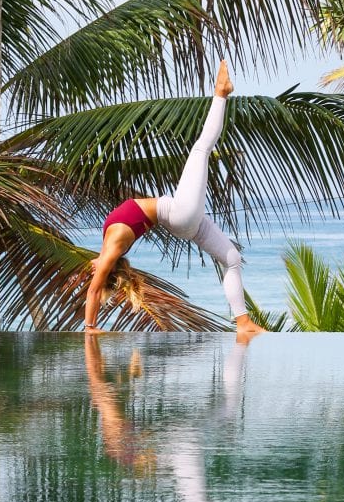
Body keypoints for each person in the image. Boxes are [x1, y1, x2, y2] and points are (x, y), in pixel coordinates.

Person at [84, 60, 265, 337]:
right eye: (95, 270)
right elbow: (95, 289)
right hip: (178, 213)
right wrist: (90, 326)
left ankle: (243, 322)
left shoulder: (110, 240)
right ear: (107, 269)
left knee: (232, 259)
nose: (90, 268)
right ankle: (221, 92)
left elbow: (98, 281)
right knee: (201, 148)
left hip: (184, 222)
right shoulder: (113, 247)